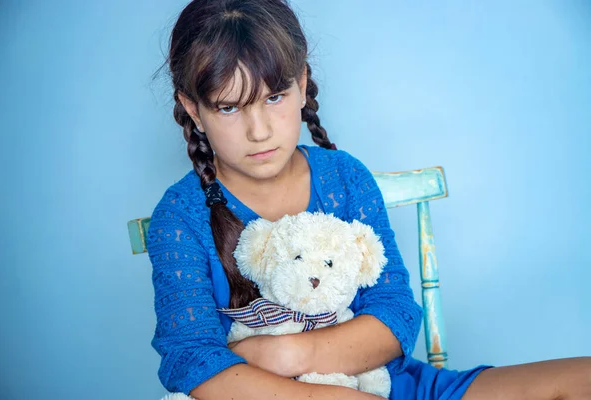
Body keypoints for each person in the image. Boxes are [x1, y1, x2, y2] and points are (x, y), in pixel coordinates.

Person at [146, 0, 591, 398]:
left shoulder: (344, 177)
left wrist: (288, 354)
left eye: (275, 97)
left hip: (389, 383)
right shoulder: (182, 216)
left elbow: (395, 314)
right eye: (229, 107)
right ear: (193, 109)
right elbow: (192, 361)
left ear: (302, 85)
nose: (259, 130)